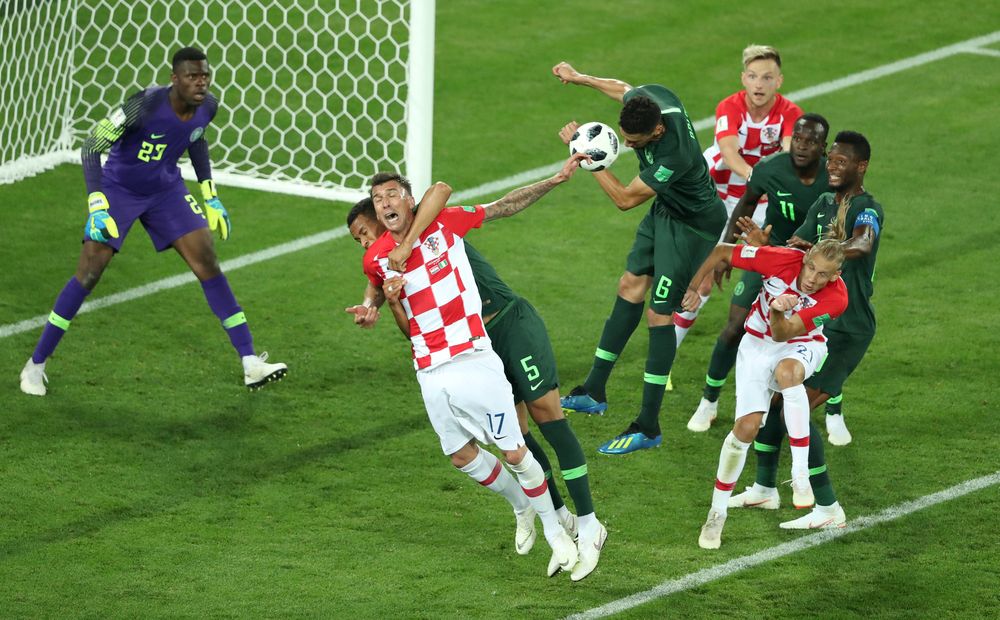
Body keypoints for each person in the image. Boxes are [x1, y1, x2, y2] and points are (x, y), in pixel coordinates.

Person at [344, 172, 607, 580]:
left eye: (392, 195)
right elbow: (380, 288)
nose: (385, 203)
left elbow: (450, 191)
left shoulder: (441, 222)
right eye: (378, 198)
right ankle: (535, 509)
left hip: (487, 340)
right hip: (431, 368)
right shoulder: (377, 258)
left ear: (407, 200)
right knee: (470, 452)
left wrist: (556, 179)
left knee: (538, 427)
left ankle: (582, 526)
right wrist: (375, 304)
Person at [18, 47, 286, 396]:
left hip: (165, 189)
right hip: (119, 189)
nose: (200, 82)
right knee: (89, 272)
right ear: (175, 79)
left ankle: (251, 362)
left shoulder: (208, 107)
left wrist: (210, 193)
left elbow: (196, 138)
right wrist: (97, 204)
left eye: (205, 75)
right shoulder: (143, 105)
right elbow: (91, 146)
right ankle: (35, 365)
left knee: (207, 261)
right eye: (192, 76)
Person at [552, 61, 727, 455]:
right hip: (666, 211)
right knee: (629, 285)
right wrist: (580, 78)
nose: (629, 146)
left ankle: (648, 426)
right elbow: (623, 87)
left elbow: (625, 199)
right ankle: (594, 390)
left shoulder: (675, 154)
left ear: (658, 131)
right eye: (626, 138)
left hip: (693, 226)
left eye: (636, 142)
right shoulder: (653, 100)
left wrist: (585, 157)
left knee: (659, 314)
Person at [683, 239, 848, 549]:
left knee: (788, 374)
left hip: (801, 344)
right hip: (756, 347)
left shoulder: (836, 299)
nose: (812, 278)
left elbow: (783, 332)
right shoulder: (779, 260)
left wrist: (775, 311)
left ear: (835, 276)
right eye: (810, 267)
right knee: (745, 430)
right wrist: (695, 286)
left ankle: (800, 474)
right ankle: (716, 514)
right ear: (804, 259)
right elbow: (720, 251)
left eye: (823, 274)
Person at [687, 113, 830, 432]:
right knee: (735, 326)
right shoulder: (770, 168)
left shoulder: (834, 179)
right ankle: (709, 400)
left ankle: (825, 405)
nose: (802, 147)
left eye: (811, 142)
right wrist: (727, 251)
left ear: (823, 147)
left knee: (817, 337)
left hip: (813, 269)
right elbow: (745, 205)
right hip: (771, 255)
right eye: (799, 139)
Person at [738, 131, 883, 446]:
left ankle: (814, 491)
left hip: (847, 328)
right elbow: (797, 251)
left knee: (790, 412)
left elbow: (863, 242)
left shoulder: (868, 208)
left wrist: (826, 251)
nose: (831, 166)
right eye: (831, 159)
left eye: (841, 162)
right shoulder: (822, 203)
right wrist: (764, 249)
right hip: (812, 324)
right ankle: (765, 488)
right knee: (778, 405)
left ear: (861, 167)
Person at [674, 44, 804, 347]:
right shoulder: (729, 107)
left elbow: (787, 159)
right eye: (753, 76)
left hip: (758, 203)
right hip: (717, 195)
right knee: (703, 277)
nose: (760, 84)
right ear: (743, 78)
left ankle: (777, 341)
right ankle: (667, 355)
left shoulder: (791, 113)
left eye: (767, 78)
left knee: (776, 270)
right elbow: (730, 155)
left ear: (779, 81)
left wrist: (764, 187)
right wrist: (759, 179)